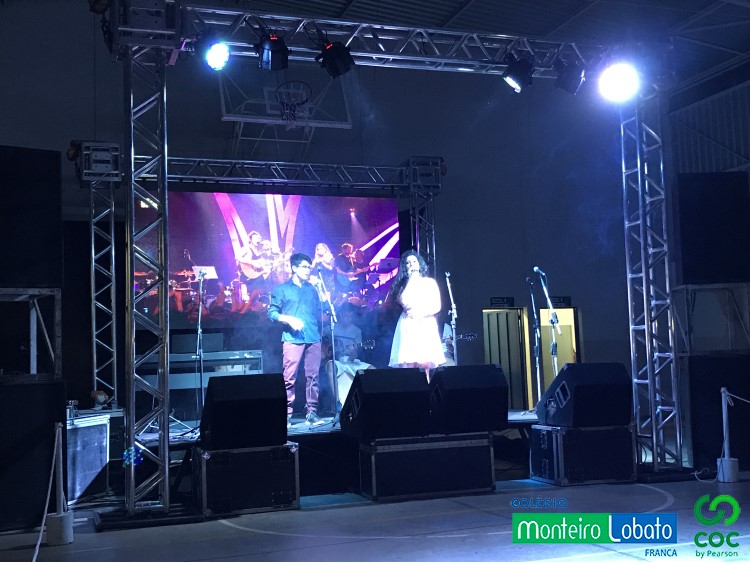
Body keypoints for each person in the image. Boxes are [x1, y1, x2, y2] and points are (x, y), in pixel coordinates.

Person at [268, 253, 328, 426]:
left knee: (313, 376)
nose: (308, 270)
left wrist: (320, 288)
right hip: (292, 338)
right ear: (294, 268)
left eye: (309, 267)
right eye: (304, 267)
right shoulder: (282, 289)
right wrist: (288, 319)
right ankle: (286, 414)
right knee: (289, 377)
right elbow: (272, 313)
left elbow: (323, 307)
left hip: (312, 336)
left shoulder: (312, 289)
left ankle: (312, 412)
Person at [388, 250, 445, 382]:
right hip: (408, 324)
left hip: (424, 323)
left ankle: (426, 389)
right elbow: (404, 301)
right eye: (408, 263)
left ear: (419, 264)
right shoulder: (403, 286)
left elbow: (437, 306)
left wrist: (421, 313)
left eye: (414, 261)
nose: (411, 265)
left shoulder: (429, 283)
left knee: (424, 362)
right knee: (408, 363)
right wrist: (411, 280)